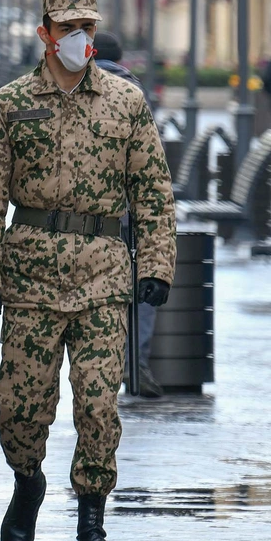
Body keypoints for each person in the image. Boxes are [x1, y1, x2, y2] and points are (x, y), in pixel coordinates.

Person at [0, 0, 176, 541]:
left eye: (88, 25)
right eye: (68, 27)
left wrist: (155, 266)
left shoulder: (125, 104)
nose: (81, 38)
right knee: (20, 408)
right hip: (29, 276)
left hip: (104, 274)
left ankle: (91, 527)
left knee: (99, 403)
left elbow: (154, 193)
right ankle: (27, 480)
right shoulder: (10, 104)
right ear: (46, 34)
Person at [93, 31, 164, 400]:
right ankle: (134, 362)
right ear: (121, 59)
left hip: (88, 218)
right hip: (130, 213)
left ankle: (99, 365)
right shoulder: (134, 93)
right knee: (141, 286)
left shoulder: (71, 88)